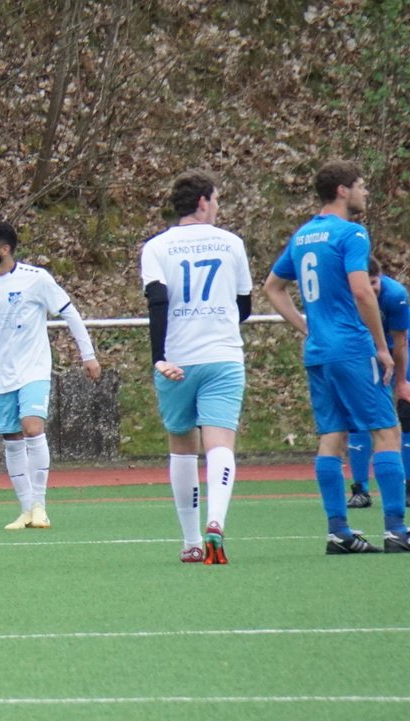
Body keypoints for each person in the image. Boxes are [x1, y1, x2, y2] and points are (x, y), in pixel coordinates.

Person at [263, 160, 410, 554]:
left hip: (319, 353)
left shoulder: (303, 236)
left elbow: (273, 287)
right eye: (361, 185)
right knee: (387, 431)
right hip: (351, 349)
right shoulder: (351, 233)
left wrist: (306, 327)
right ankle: (397, 530)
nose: (365, 192)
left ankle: (339, 533)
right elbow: (362, 291)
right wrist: (381, 347)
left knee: (332, 436)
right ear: (343, 190)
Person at [0, 221, 102, 530]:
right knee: (12, 439)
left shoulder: (35, 278)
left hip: (33, 369)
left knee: (32, 427)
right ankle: (26, 509)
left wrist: (88, 355)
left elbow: (69, 312)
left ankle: (40, 506)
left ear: (4, 249)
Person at [139, 170, 253, 564]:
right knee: (219, 443)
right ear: (203, 201)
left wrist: (159, 356)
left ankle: (190, 540)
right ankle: (215, 521)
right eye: (216, 199)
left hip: (178, 360)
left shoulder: (156, 246)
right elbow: (244, 305)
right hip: (223, 357)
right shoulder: (231, 243)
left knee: (182, 447)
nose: (217, 206)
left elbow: (157, 301)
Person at [347, 257, 410, 509]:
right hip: (367, 349)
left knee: (408, 407)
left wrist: (401, 382)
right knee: (359, 413)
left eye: (374, 283)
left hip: (403, 346)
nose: (371, 289)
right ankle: (360, 489)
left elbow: (401, 342)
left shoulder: (394, 295)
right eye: (366, 283)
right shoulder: (347, 295)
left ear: (380, 278)